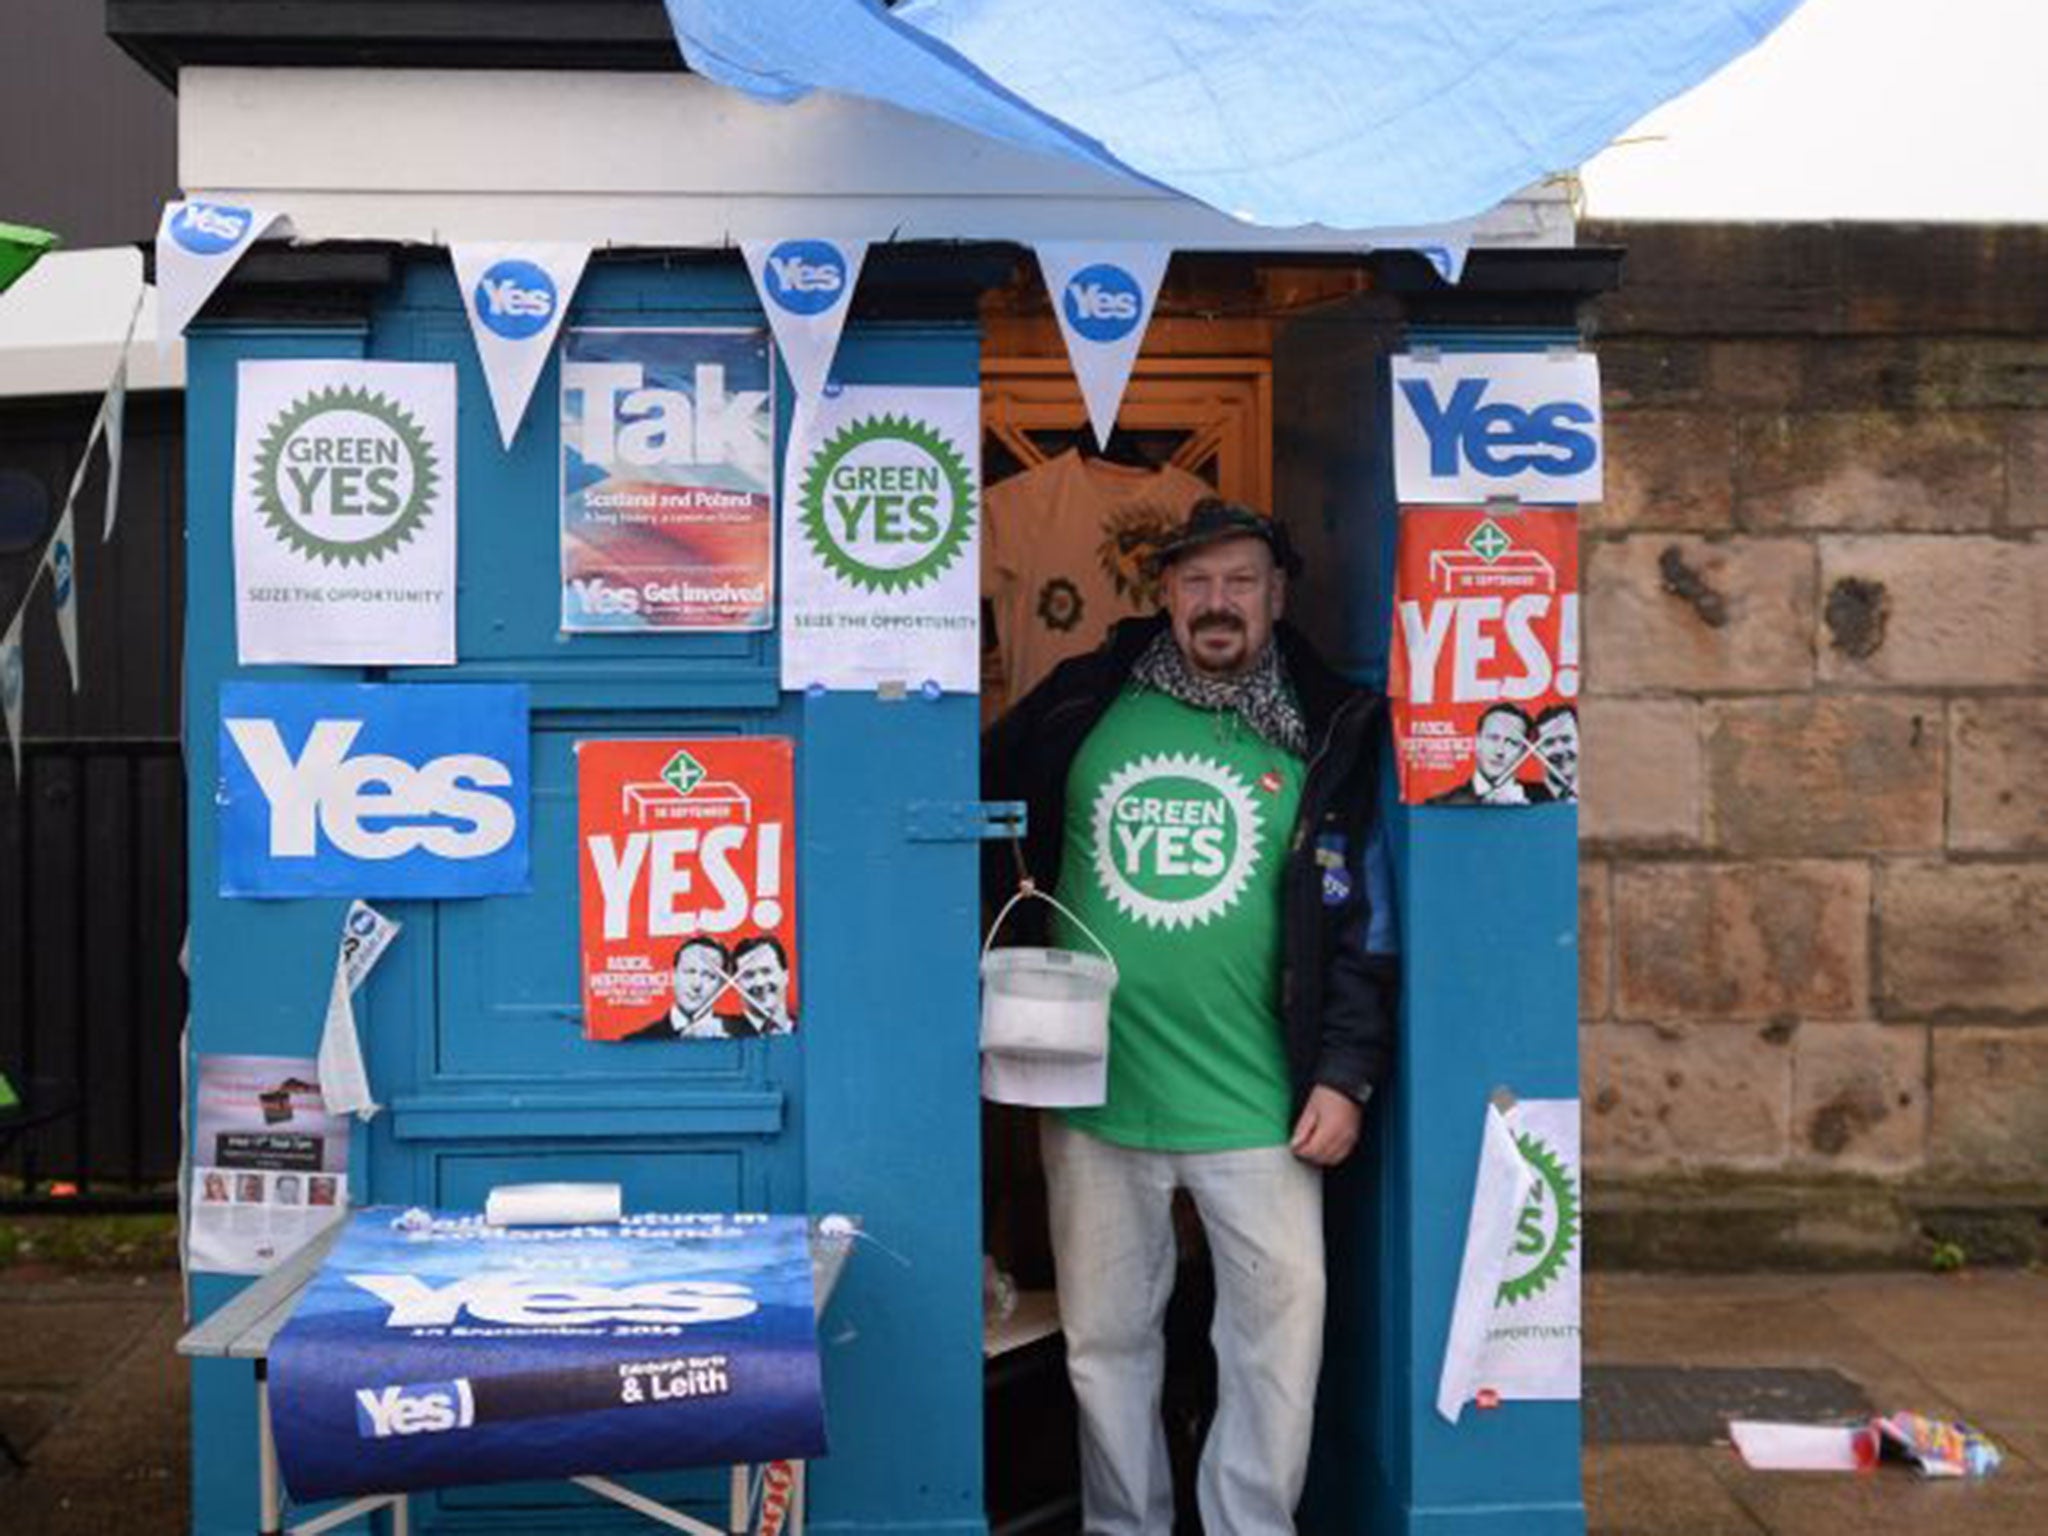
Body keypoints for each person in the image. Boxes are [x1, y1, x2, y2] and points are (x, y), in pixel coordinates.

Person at [984, 497, 1398, 1536]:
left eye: (1241, 582)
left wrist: (1343, 1074)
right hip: (1089, 1088)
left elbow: (1364, 920)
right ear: (1164, 593)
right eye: (1197, 582)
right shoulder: (1085, 699)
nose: (1218, 604)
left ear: (1276, 595)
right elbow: (970, 815)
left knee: (1274, 1347)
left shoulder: (1324, 721)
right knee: (1102, 1344)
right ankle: (1124, 1526)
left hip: (1259, 1097)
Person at [622, 937, 753, 1040]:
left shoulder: (746, 1034)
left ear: (722, 985)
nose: (696, 985)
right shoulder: (638, 1042)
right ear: (673, 975)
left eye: (708, 976)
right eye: (690, 972)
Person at [1429, 701, 1535, 805]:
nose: (1499, 751)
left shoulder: (1546, 799)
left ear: (1523, 752)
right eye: (1493, 738)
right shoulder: (1440, 805)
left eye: (1512, 742)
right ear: (1477, 741)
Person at [731, 935, 795, 1035]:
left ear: (786, 975)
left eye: (766, 971)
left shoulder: (813, 1029)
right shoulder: (718, 1035)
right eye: (749, 975)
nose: (759, 982)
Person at [1531, 703, 1579, 803]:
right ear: (1537, 751)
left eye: (1566, 739)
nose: (1559, 750)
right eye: (1549, 743)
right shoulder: (1522, 798)